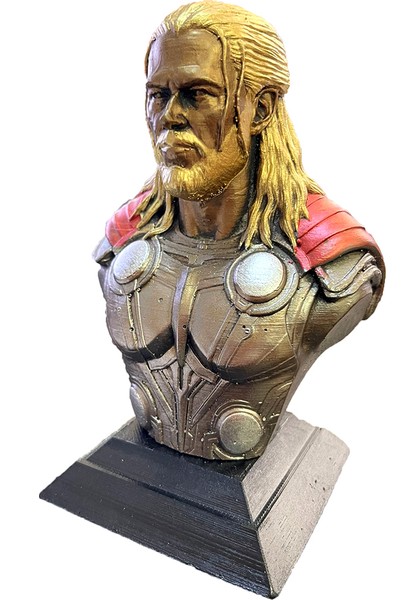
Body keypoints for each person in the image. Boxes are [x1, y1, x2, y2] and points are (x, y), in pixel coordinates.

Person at [94, 1, 384, 460]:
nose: (170, 116)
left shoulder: (328, 259)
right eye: (158, 95)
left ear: (261, 109)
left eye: (197, 94)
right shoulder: (123, 240)